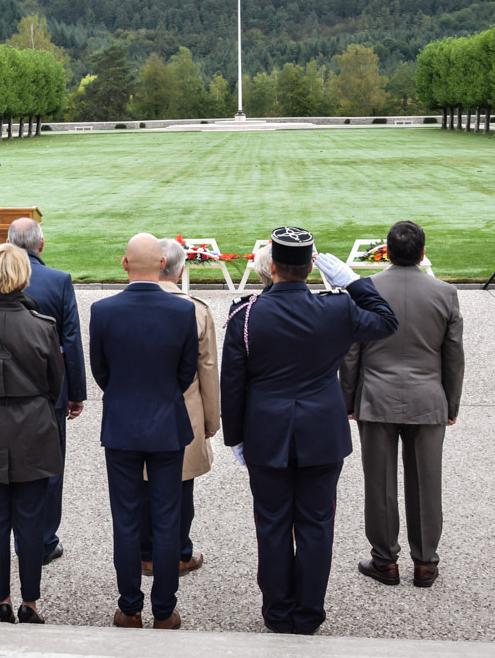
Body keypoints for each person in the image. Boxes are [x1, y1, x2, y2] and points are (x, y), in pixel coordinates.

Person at [222, 227, 397, 636]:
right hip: (321, 431)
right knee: (317, 525)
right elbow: (386, 322)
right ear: (310, 267)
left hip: (266, 432)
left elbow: (232, 383)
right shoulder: (337, 309)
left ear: (274, 267)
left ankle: (279, 612)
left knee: (272, 524)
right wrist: (353, 282)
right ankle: (308, 614)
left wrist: (236, 437)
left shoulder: (245, 314)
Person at [340, 220, 464, 590]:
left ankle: (385, 560)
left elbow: (351, 353)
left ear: (387, 253)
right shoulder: (445, 293)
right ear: (423, 253)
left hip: (377, 397)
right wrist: (451, 403)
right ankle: (425, 562)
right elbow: (453, 355)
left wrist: (347, 399)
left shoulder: (367, 290)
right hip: (428, 398)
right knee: (427, 482)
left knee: (379, 483)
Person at [89, 233, 198, 631]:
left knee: (127, 519)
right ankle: (164, 610)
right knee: (167, 519)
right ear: (164, 263)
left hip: (122, 423)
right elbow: (185, 373)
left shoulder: (103, 311)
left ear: (124, 264)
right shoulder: (182, 311)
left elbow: (102, 372)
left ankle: (130, 606)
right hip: (166, 422)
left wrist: (125, 396)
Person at [0, 244, 65, 625]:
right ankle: (30, 601)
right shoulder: (43, 326)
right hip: (32, 427)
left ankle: (2, 599)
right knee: (31, 519)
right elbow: (55, 384)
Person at [0, 218, 85, 565]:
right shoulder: (58, 281)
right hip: (44, 390)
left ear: (7, 242)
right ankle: (42, 538)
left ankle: (10, 536)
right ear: (41, 244)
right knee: (48, 464)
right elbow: (70, 340)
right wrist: (74, 391)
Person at [139, 238, 220, 578]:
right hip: (183, 410)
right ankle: (179, 551)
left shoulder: (130, 305)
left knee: (144, 485)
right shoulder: (195, 309)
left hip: (141, 408)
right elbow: (208, 370)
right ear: (180, 269)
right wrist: (212, 419)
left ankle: (146, 552)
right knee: (181, 486)